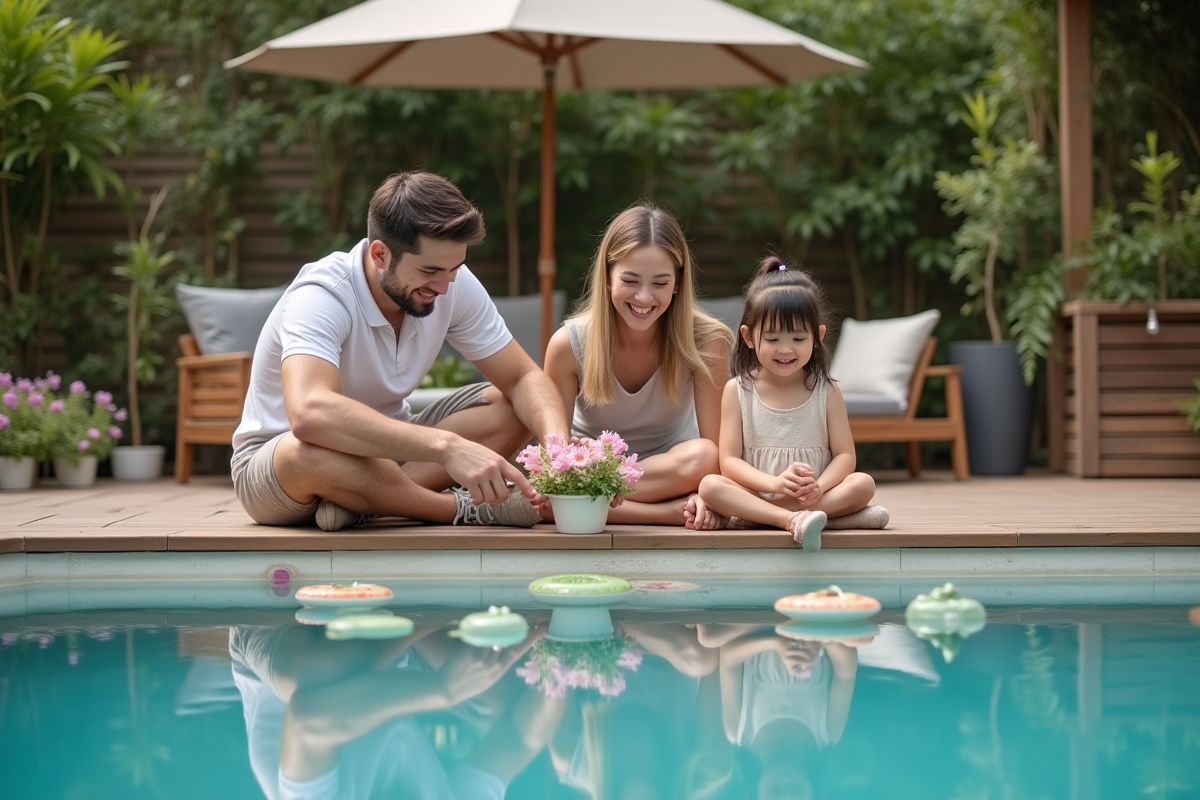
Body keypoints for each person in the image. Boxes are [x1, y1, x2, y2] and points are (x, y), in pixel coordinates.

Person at [231, 171, 569, 531]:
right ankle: (457, 508)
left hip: (391, 455)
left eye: (455, 268)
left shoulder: (449, 281)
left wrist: (558, 450)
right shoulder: (321, 296)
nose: (444, 287)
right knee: (306, 450)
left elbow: (522, 377)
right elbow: (309, 413)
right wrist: (448, 446)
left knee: (515, 406)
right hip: (281, 467)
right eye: (430, 270)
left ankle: (365, 504)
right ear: (380, 254)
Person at [543, 205, 734, 528]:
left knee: (705, 455)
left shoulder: (705, 341)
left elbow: (720, 456)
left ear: (678, 282)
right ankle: (664, 511)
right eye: (630, 280)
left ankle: (604, 498)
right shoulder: (568, 345)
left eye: (660, 283)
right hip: (592, 470)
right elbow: (555, 459)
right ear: (607, 277)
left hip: (672, 473)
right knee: (562, 482)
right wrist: (672, 511)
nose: (644, 298)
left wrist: (708, 489)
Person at [698, 256, 889, 549]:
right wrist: (774, 484)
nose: (786, 349)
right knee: (710, 486)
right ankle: (796, 519)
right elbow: (729, 462)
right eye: (773, 339)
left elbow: (845, 456)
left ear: (817, 336)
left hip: (812, 495)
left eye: (798, 338)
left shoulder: (827, 391)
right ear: (748, 337)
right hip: (758, 493)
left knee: (863, 484)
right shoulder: (737, 390)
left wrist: (819, 486)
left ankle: (766, 517)